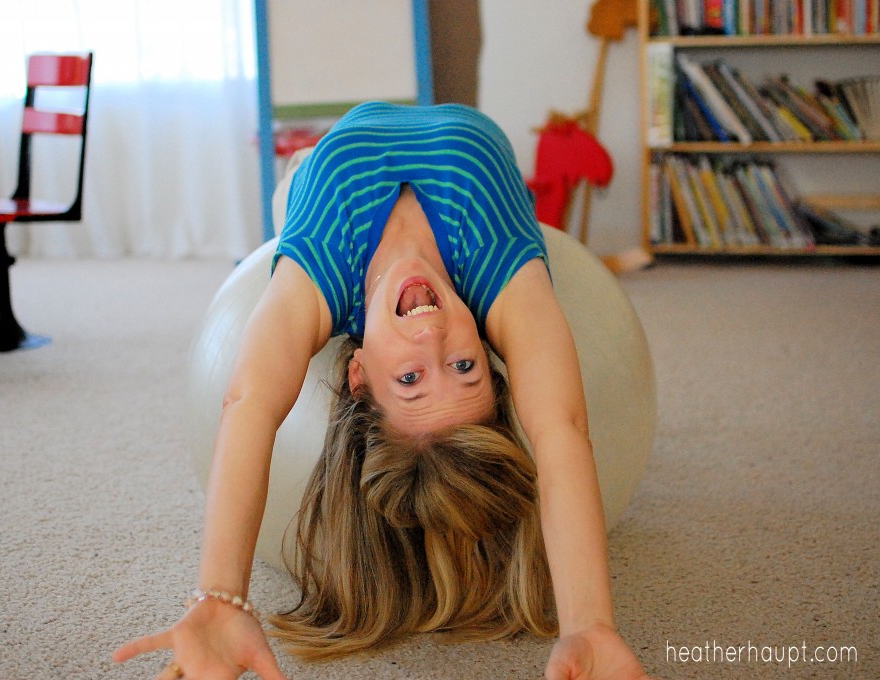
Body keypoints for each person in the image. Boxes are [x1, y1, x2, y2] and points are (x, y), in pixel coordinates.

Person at [114, 102, 652, 680]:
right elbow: (560, 429)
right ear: (495, 359)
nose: (432, 333)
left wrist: (221, 594)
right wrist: (590, 624)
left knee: (296, 196)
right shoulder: (500, 267)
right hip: (477, 168)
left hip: (327, 176)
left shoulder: (323, 274)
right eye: (466, 365)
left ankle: (292, 187)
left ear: (360, 374)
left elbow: (248, 403)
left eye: (411, 379)